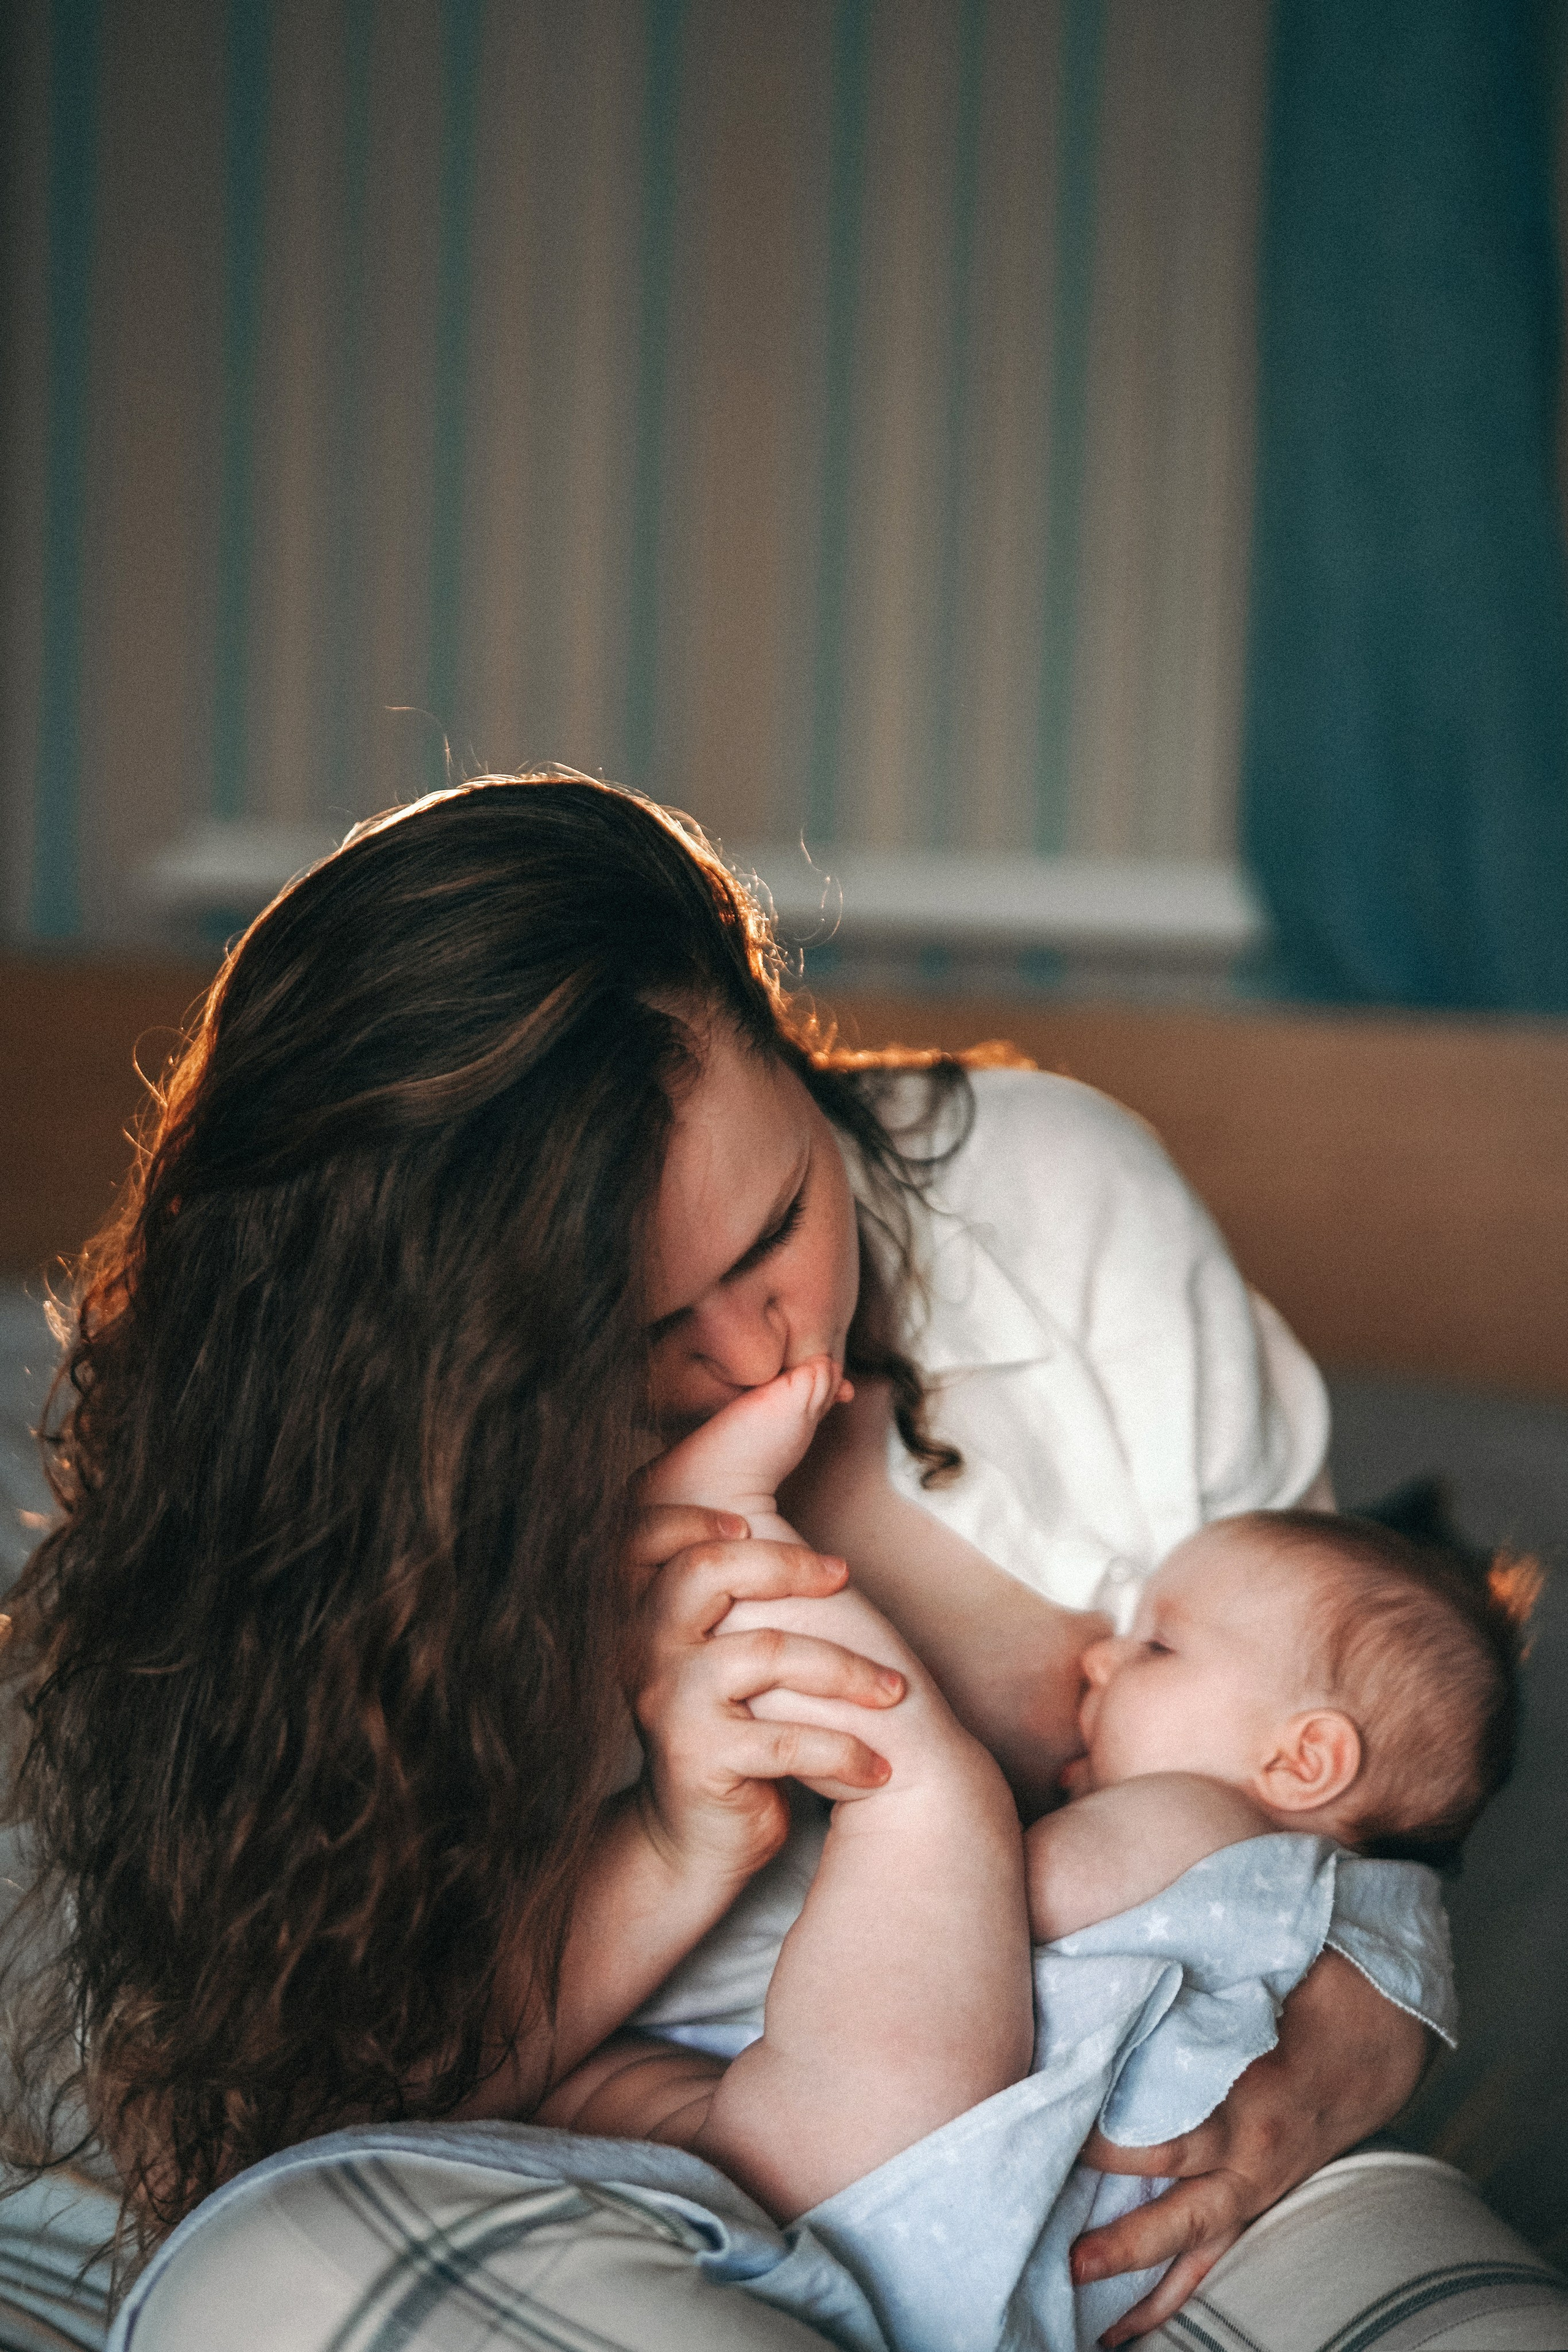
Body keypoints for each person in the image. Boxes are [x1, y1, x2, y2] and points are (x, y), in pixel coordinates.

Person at [3, 774, 1558, 2350]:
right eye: (631, 1335)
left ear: (784, 1049)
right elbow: (334, 2091)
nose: (757, 1351)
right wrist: (678, 1844)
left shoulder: (1059, 1214)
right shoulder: (369, 1555)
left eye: (773, 1233)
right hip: (636, 2185)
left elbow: (1346, 1779)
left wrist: (1345, 2051)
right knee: (281, 2270)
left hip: (1129, 2173)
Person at [546, 1392, 1528, 2350]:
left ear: (1302, 1760)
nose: (1101, 1658)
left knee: (934, 1801)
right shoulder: (1362, 1922)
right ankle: (574, 2095)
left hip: (928, 2156)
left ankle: (750, 1555)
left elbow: (1021, 1892)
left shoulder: (1204, 1816)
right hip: (973, 2254)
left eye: (1159, 1645)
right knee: (673, 2111)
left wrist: (971, 1816)